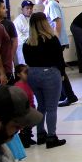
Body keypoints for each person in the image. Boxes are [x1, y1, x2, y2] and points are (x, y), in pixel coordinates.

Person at [22, 12, 67, 149]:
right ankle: (51, 137)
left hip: (33, 74)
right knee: (52, 108)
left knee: (41, 105)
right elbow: (59, 59)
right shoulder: (52, 39)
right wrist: (62, 74)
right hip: (50, 74)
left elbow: (28, 62)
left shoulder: (27, 43)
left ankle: (40, 134)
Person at [35, 0, 78, 105]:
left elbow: (57, 24)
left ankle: (69, 95)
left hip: (56, 42)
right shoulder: (49, 5)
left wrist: (53, 41)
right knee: (57, 69)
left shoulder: (51, 5)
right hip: (55, 41)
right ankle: (64, 95)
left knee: (58, 70)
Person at [14, 1, 33, 66]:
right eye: (27, 8)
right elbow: (19, 36)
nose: (29, 10)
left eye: (31, 8)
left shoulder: (32, 19)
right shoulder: (18, 21)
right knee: (24, 66)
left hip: (32, 46)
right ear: (22, 9)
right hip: (22, 47)